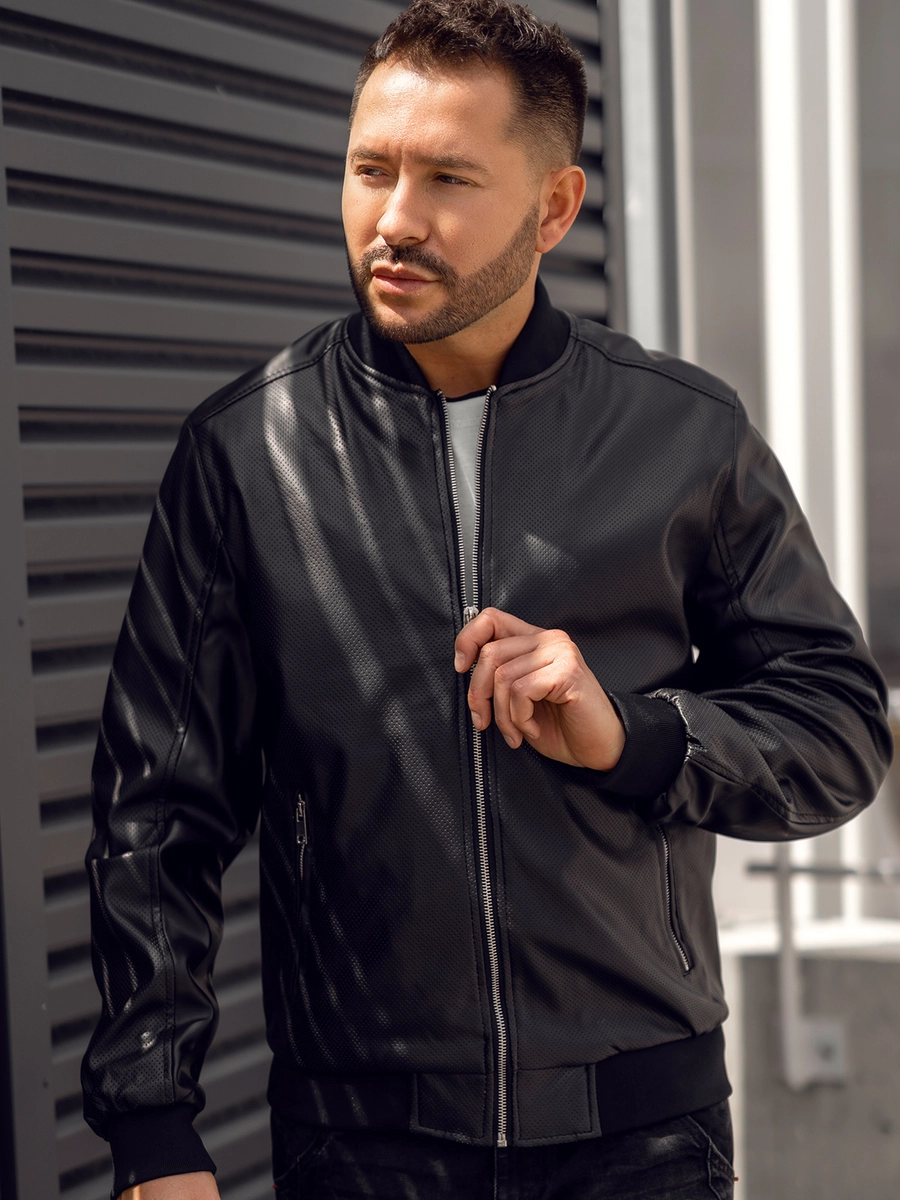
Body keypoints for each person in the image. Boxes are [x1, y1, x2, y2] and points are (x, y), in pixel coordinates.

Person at [82, 2, 893, 1197]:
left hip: (641, 1137)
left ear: (554, 209)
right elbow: (157, 808)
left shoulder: (683, 436)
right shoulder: (250, 454)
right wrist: (152, 1130)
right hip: (363, 1142)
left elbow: (838, 729)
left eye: (449, 179)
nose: (394, 220)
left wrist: (635, 736)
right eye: (371, 169)